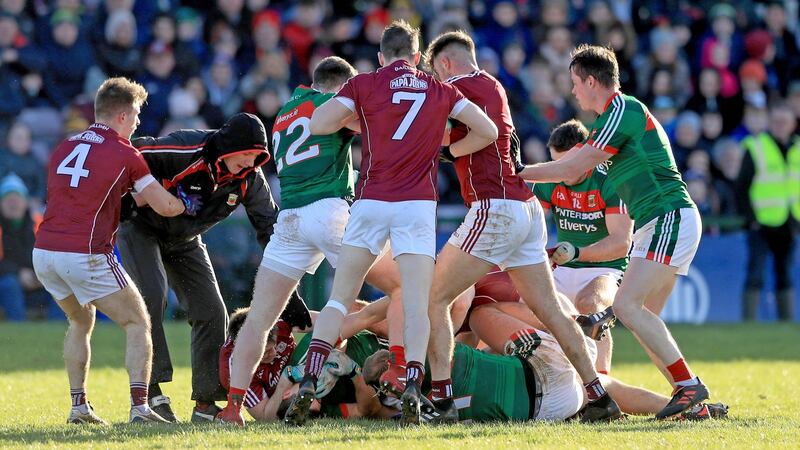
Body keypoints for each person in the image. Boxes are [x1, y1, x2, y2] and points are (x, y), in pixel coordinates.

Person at [284, 21, 498, 426]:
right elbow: (488, 130)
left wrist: (362, 120)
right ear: (418, 57)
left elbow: (318, 124)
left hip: (370, 201)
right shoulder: (440, 88)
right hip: (416, 204)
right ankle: (414, 386)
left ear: (382, 56)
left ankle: (310, 379)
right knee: (416, 302)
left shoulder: (365, 83)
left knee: (339, 298)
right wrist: (449, 147)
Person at [419, 31, 619, 423]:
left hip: (493, 208)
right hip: (526, 208)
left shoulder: (455, 88)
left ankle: (441, 400)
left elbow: (431, 135)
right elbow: (466, 139)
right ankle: (597, 394)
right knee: (551, 312)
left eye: (435, 72)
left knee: (435, 298)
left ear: (444, 64)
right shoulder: (492, 85)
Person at [518, 44, 711, 419]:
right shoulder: (611, 119)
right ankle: (693, 404)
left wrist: (518, 171)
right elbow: (575, 165)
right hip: (658, 221)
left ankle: (688, 387)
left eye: (575, 82)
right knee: (642, 319)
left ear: (592, 81)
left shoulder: (622, 110)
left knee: (627, 307)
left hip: (667, 215)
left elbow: (574, 167)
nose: (573, 91)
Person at [216, 57, 405, 426]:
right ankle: (400, 375)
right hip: (330, 210)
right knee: (404, 285)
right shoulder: (333, 104)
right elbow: (374, 129)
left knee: (258, 319)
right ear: (341, 87)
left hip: (289, 218)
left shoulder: (285, 112)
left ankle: (233, 408)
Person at [32, 77, 186, 424]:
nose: (138, 124)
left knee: (80, 318)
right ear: (123, 114)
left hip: (44, 251)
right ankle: (140, 408)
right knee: (137, 322)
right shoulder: (125, 152)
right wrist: (188, 204)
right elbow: (163, 206)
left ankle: (78, 407)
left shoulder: (64, 145)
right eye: (136, 116)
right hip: (85, 253)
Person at [116, 111, 279, 423]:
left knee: (211, 311)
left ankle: (205, 403)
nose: (250, 162)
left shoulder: (249, 179)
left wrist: (287, 279)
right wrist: (127, 199)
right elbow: (131, 152)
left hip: (186, 239)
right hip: (141, 228)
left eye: (258, 157)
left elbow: (269, 226)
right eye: (246, 154)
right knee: (151, 297)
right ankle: (150, 394)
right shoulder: (184, 150)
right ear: (228, 147)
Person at [533, 119, 633, 373]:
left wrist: (578, 252)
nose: (561, 171)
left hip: (604, 269)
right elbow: (533, 229)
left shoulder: (610, 181)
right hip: (563, 266)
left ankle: (602, 386)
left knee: (590, 306)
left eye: (567, 164)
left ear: (585, 155)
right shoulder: (549, 181)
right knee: (528, 306)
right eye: (556, 163)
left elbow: (621, 244)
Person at [736, 102, 799, 321]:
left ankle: (786, 321)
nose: (781, 126)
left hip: (789, 222)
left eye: (785, 122)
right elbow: (741, 186)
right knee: (756, 273)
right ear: (769, 123)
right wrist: (751, 219)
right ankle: (749, 323)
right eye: (777, 122)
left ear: (793, 124)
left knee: (785, 274)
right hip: (762, 223)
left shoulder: (798, 148)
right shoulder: (755, 146)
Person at [0, 174, 42, 321]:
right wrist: (19, 273)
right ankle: (19, 328)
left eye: (17, 198)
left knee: (60, 286)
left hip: (36, 282)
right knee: (10, 284)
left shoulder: (38, 224)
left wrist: (40, 275)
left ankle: (56, 331)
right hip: (8, 284)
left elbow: (50, 257)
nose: (13, 203)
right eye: (8, 199)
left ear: (26, 202)